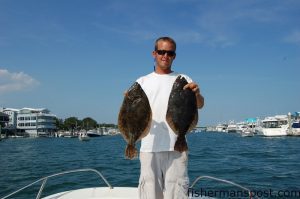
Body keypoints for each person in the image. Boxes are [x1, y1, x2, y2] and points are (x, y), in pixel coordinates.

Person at [136, 36, 204, 199]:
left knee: (177, 193)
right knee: (150, 194)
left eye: (170, 53)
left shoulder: (184, 79)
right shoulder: (142, 82)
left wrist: (197, 93)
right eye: (161, 52)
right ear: (154, 53)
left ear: (174, 56)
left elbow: (200, 105)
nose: (165, 56)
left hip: (177, 146)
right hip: (149, 147)